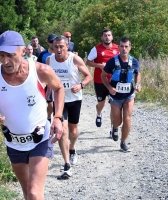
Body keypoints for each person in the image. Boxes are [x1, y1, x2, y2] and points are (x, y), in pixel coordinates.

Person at [0, 30, 65, 200]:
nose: (6, 61)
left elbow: (59, 88)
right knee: (27, 193)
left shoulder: (41, 71)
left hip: (40, 138)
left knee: (34, 193)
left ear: (23, 51)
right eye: (1, 55)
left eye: (11, 55)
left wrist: (57, 117)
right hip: (14, 142)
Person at [46, 35, 92, 179]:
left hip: (74, 99)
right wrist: (47, 94)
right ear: (52, 47)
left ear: (67, 47)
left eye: (61, 47)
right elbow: (47, 79)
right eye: (56, 47)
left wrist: (81, 85)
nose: (58, 50)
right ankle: (66, 164)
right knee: (62, 130)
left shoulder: (75, 59)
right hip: (59, 101)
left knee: (73, 130)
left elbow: (88, 76)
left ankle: (72, 148)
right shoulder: (49, 60)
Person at [101, 37, 141, 152]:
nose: (124, 49)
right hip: (115, 96)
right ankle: (114, 127)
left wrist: (138, 84)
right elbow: (103, 76)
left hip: (129, 95)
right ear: (118, 47)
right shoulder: (112, 61)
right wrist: (109, 88)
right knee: (118, 121)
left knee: (127, 118)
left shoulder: (134, 61)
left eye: (126, 46)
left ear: (130, 48)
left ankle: (123, 142)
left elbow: (138, 73)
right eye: (122, 46)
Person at [86, 29, 119, 132]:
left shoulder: (117, 48)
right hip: (100, 80)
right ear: (102, 37)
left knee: (114, 106)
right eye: (105, 35)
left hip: (114, 81)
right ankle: (99, 114)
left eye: (109, 35)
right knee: (101, 103)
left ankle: (112, 128)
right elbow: (88, 62)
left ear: (112, 37)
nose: (107, 37)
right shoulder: (96, 49)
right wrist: (99, 65)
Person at [37, 33, 57, 123]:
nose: (53, 43)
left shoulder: (60, 53)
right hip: (46, 82)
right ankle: (48, 117)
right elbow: (37, 67)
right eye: (51, 41)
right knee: (50, 103)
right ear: (48, 42)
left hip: (58, 81)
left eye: (54, 41)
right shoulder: (43, 54)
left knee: (57, 103)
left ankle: (56, 120)